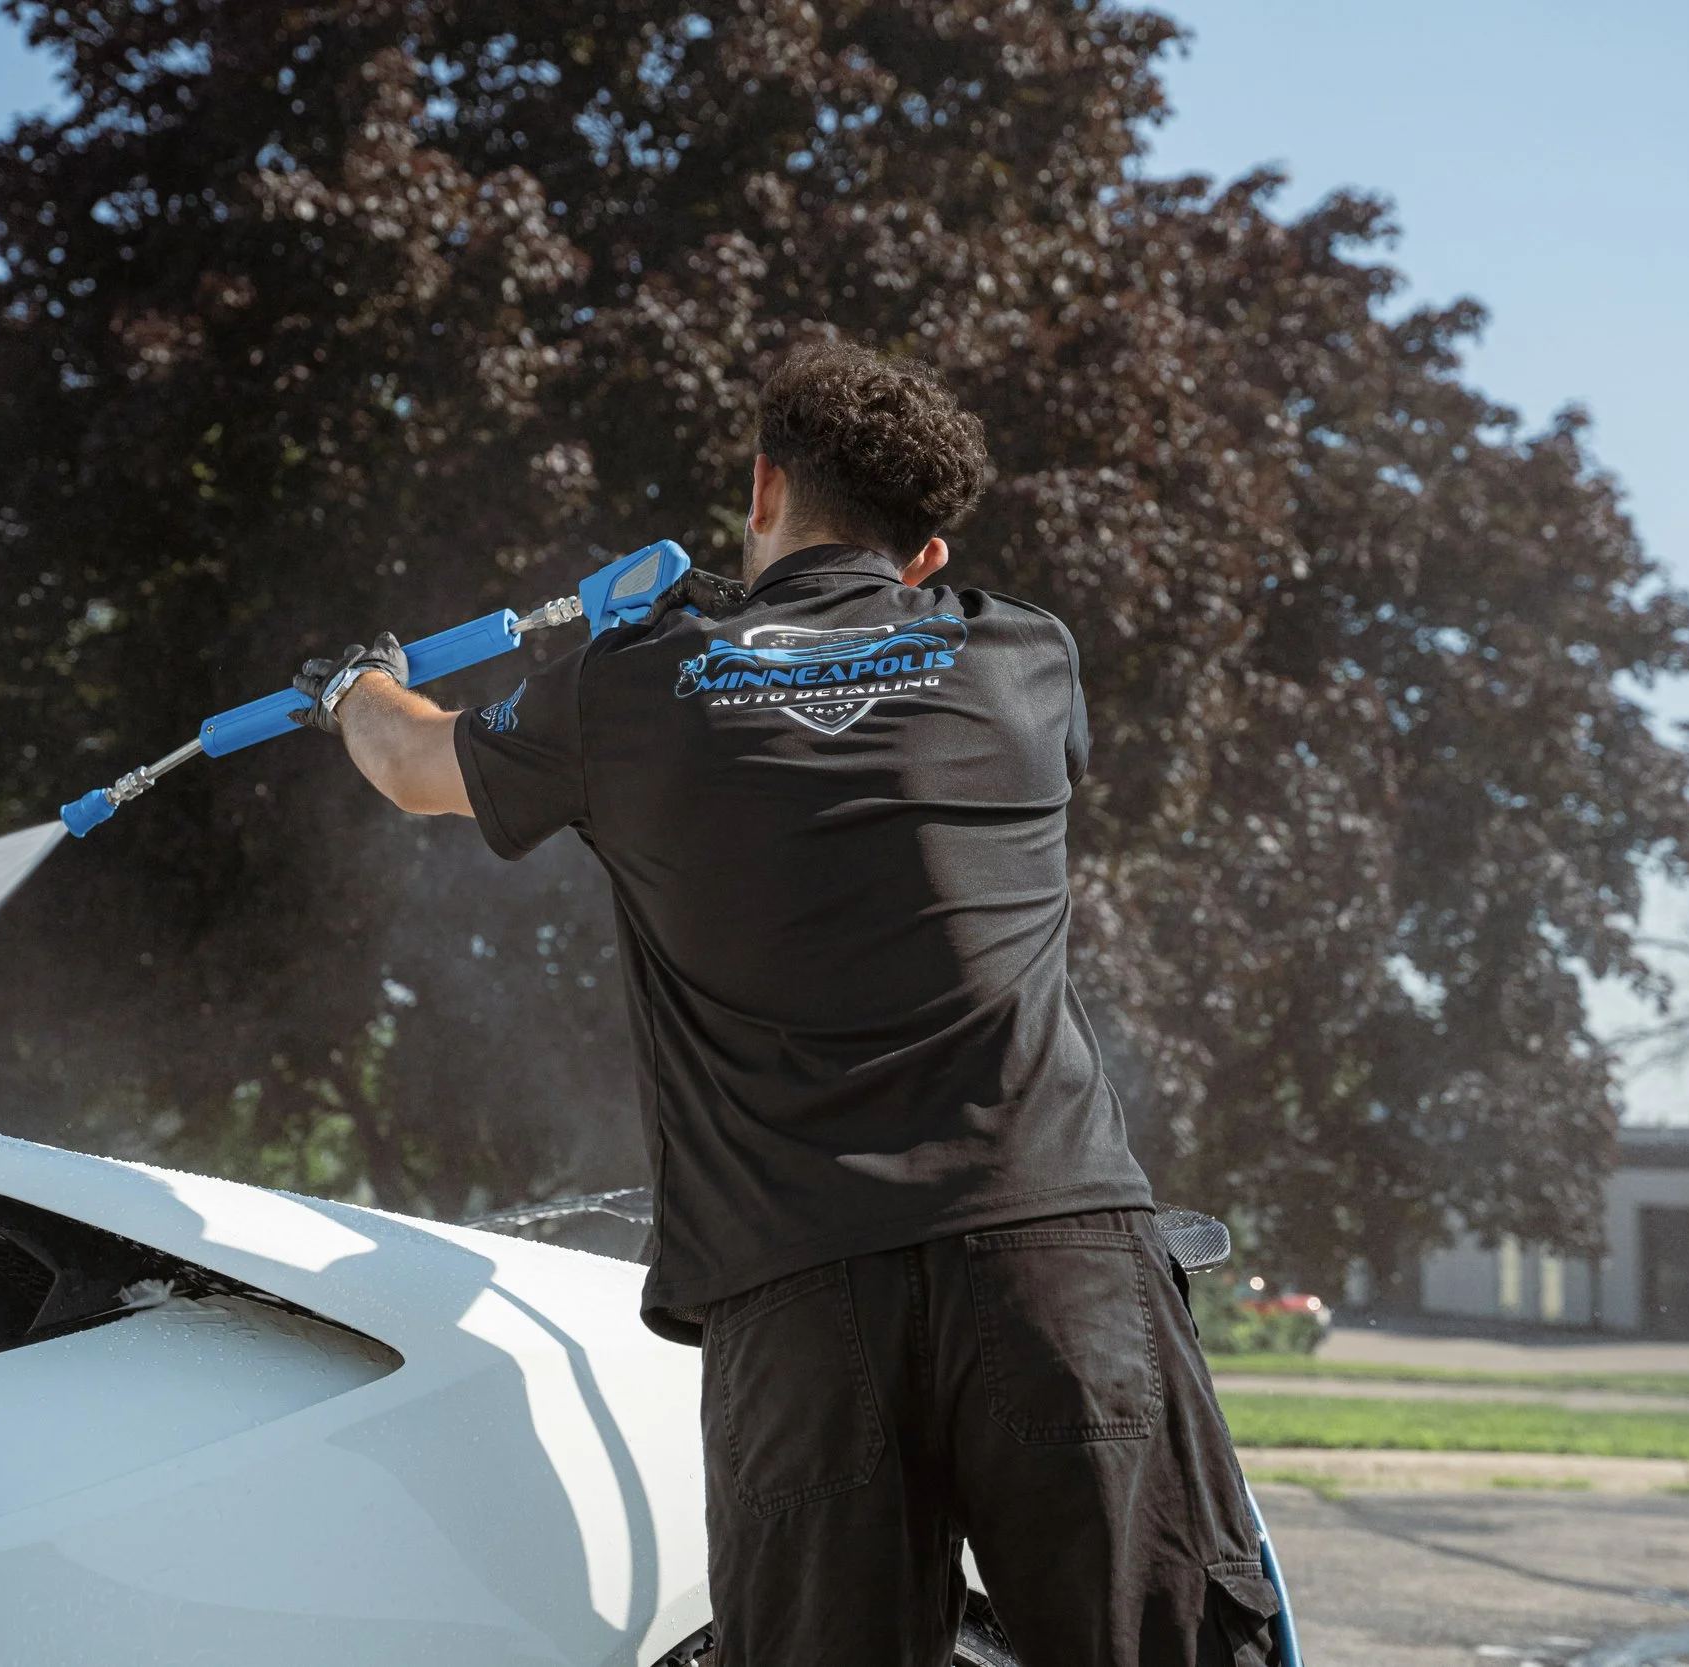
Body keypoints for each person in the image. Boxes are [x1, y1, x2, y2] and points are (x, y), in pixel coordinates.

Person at [294, 343, 1276, 1667]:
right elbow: (882, 717)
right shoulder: (1027, 657)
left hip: (805, 1299)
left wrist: (352, 685)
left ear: (762, 487)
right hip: (1057, 1264)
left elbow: (415, 763)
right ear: (927, 553)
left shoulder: (627, 686)